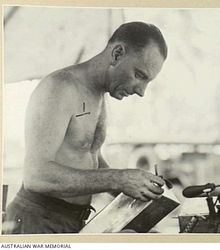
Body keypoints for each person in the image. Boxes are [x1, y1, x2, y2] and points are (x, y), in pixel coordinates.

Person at [3, 21, 168, 234]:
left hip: (69, 222)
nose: (142, 91)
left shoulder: (98, 93)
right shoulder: (61, 87)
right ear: (117, 54)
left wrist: (135, 195)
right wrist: (120, 179)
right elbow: (37, 175)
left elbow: (89, 157)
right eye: (140, 75)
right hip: (36, 222)